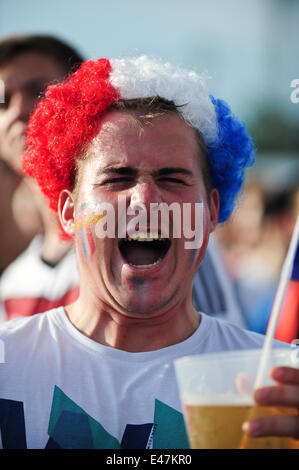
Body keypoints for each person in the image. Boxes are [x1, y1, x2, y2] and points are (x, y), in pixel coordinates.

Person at [0, 56, 298, 449]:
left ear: (210, 210)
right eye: (117, 178)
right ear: (68, 212)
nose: (145, 199)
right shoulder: (7, 364)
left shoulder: (274, 382)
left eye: (172, 178)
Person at [0, 35, 84, 320]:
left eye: (38, 91)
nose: (17, 112)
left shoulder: (155, 242)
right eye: (3, 101)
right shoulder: (12, 287)